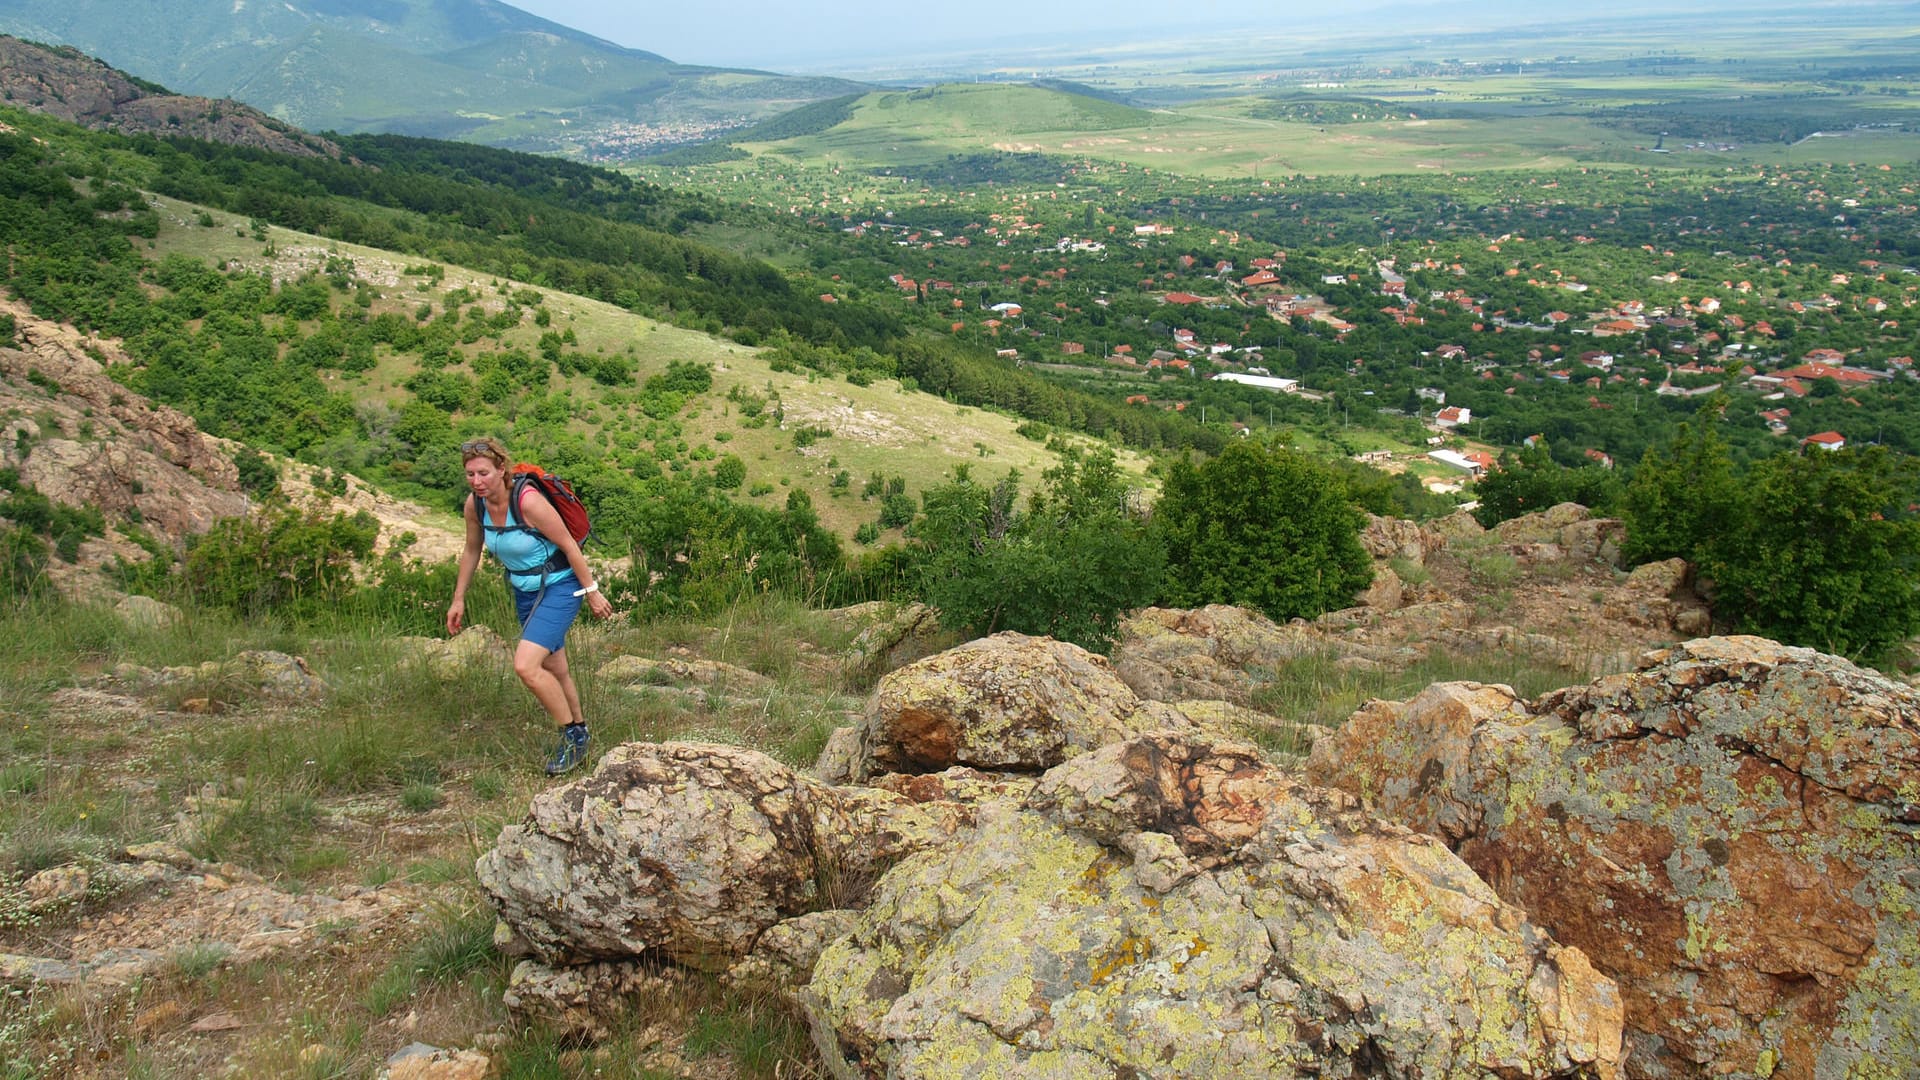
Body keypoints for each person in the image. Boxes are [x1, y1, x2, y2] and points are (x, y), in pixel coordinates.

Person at [447, 437, 614, 775]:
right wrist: (459, 598)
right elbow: (471, 551)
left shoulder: (528, 502)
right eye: (470, 475)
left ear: (501, 470)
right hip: (524, 591)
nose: (477, 481)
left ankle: (571, 736)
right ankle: (580, 729)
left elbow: (569, 545)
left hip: (560, 586)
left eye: (483, 473)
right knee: (555, 668)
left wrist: (592, 592)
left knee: (525, 665)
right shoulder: (474, 505)